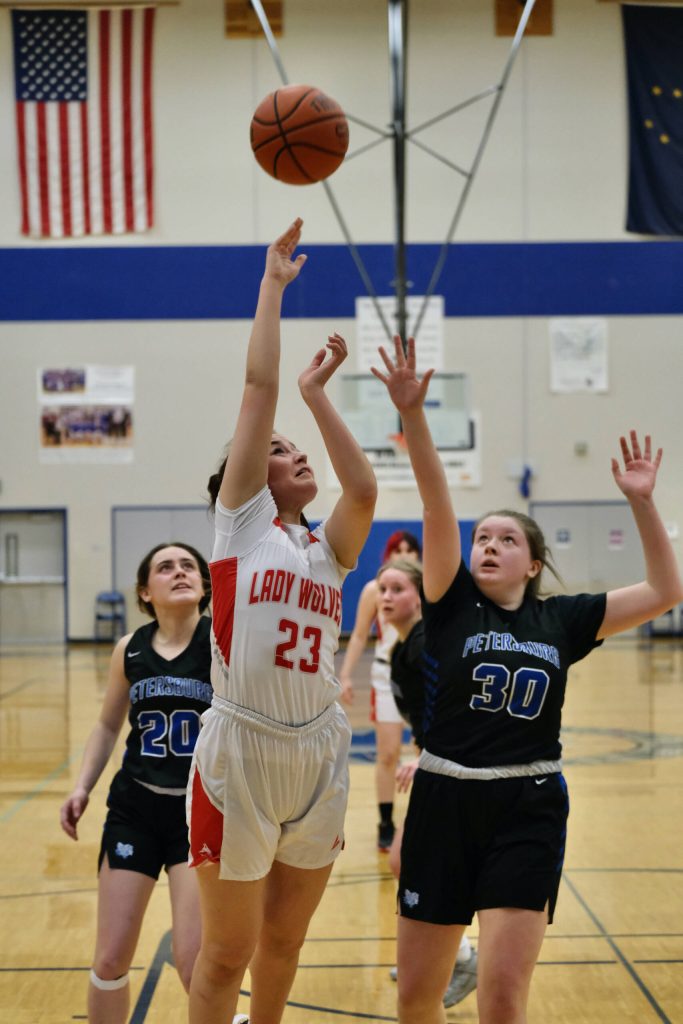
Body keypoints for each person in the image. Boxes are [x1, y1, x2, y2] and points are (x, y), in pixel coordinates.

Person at [372, 335, 683, 1024]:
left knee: (504, 995)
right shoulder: (449, 602)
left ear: (532, 563)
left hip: (528, 805)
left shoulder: (562, 621)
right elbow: (432, 496)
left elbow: (666, 589)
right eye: (482, 536)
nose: (487, 545)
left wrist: (639, 501)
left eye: (505, 540)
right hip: (443, 801)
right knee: (415, 996)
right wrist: (413, 416)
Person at [186, 218, 377, 1024]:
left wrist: (318, 396)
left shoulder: (323, 551)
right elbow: (256, 392)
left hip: (319, 749)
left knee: (285, 945)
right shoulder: (240, 528)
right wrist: (271, 288)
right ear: (243, 470)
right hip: (242, 748)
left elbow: (363, 493)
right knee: (225, 951)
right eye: (279, 449)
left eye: (300, 449)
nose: (296, 455)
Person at [60, 542, 213, 1024]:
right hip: (135, 811)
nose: (180, 572)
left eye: (189, 565)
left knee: (194, 964)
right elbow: (108, 725)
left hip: (198, 816)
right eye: (165, 567)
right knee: (109, 958)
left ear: (206, 585)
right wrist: (82, 786)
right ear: (146, 591)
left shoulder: (221, 643)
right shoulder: (130, 648)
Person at [376, 558, 478, 1009]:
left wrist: (428, 759)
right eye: (382, 589)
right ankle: (449, 954)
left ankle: (460, 956)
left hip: (449, 767)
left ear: (419, 597)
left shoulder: (424, 643)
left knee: (410, 861)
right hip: (433, 762)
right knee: (404, 861)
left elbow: (457, 705)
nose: (386, 597)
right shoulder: (401, 648)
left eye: (397, 589)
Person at [340, 530, 421, 850]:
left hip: (421, 678)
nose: (403, 554)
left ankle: (421, 817)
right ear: (387, 554)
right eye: (396, 549)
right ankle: (385, 821)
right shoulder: (375, 590)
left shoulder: (427, 589)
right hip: (386, 678)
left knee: (424, 754)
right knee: (387, 754)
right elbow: (359, 636)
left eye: (409, 550)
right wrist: (345, 675)